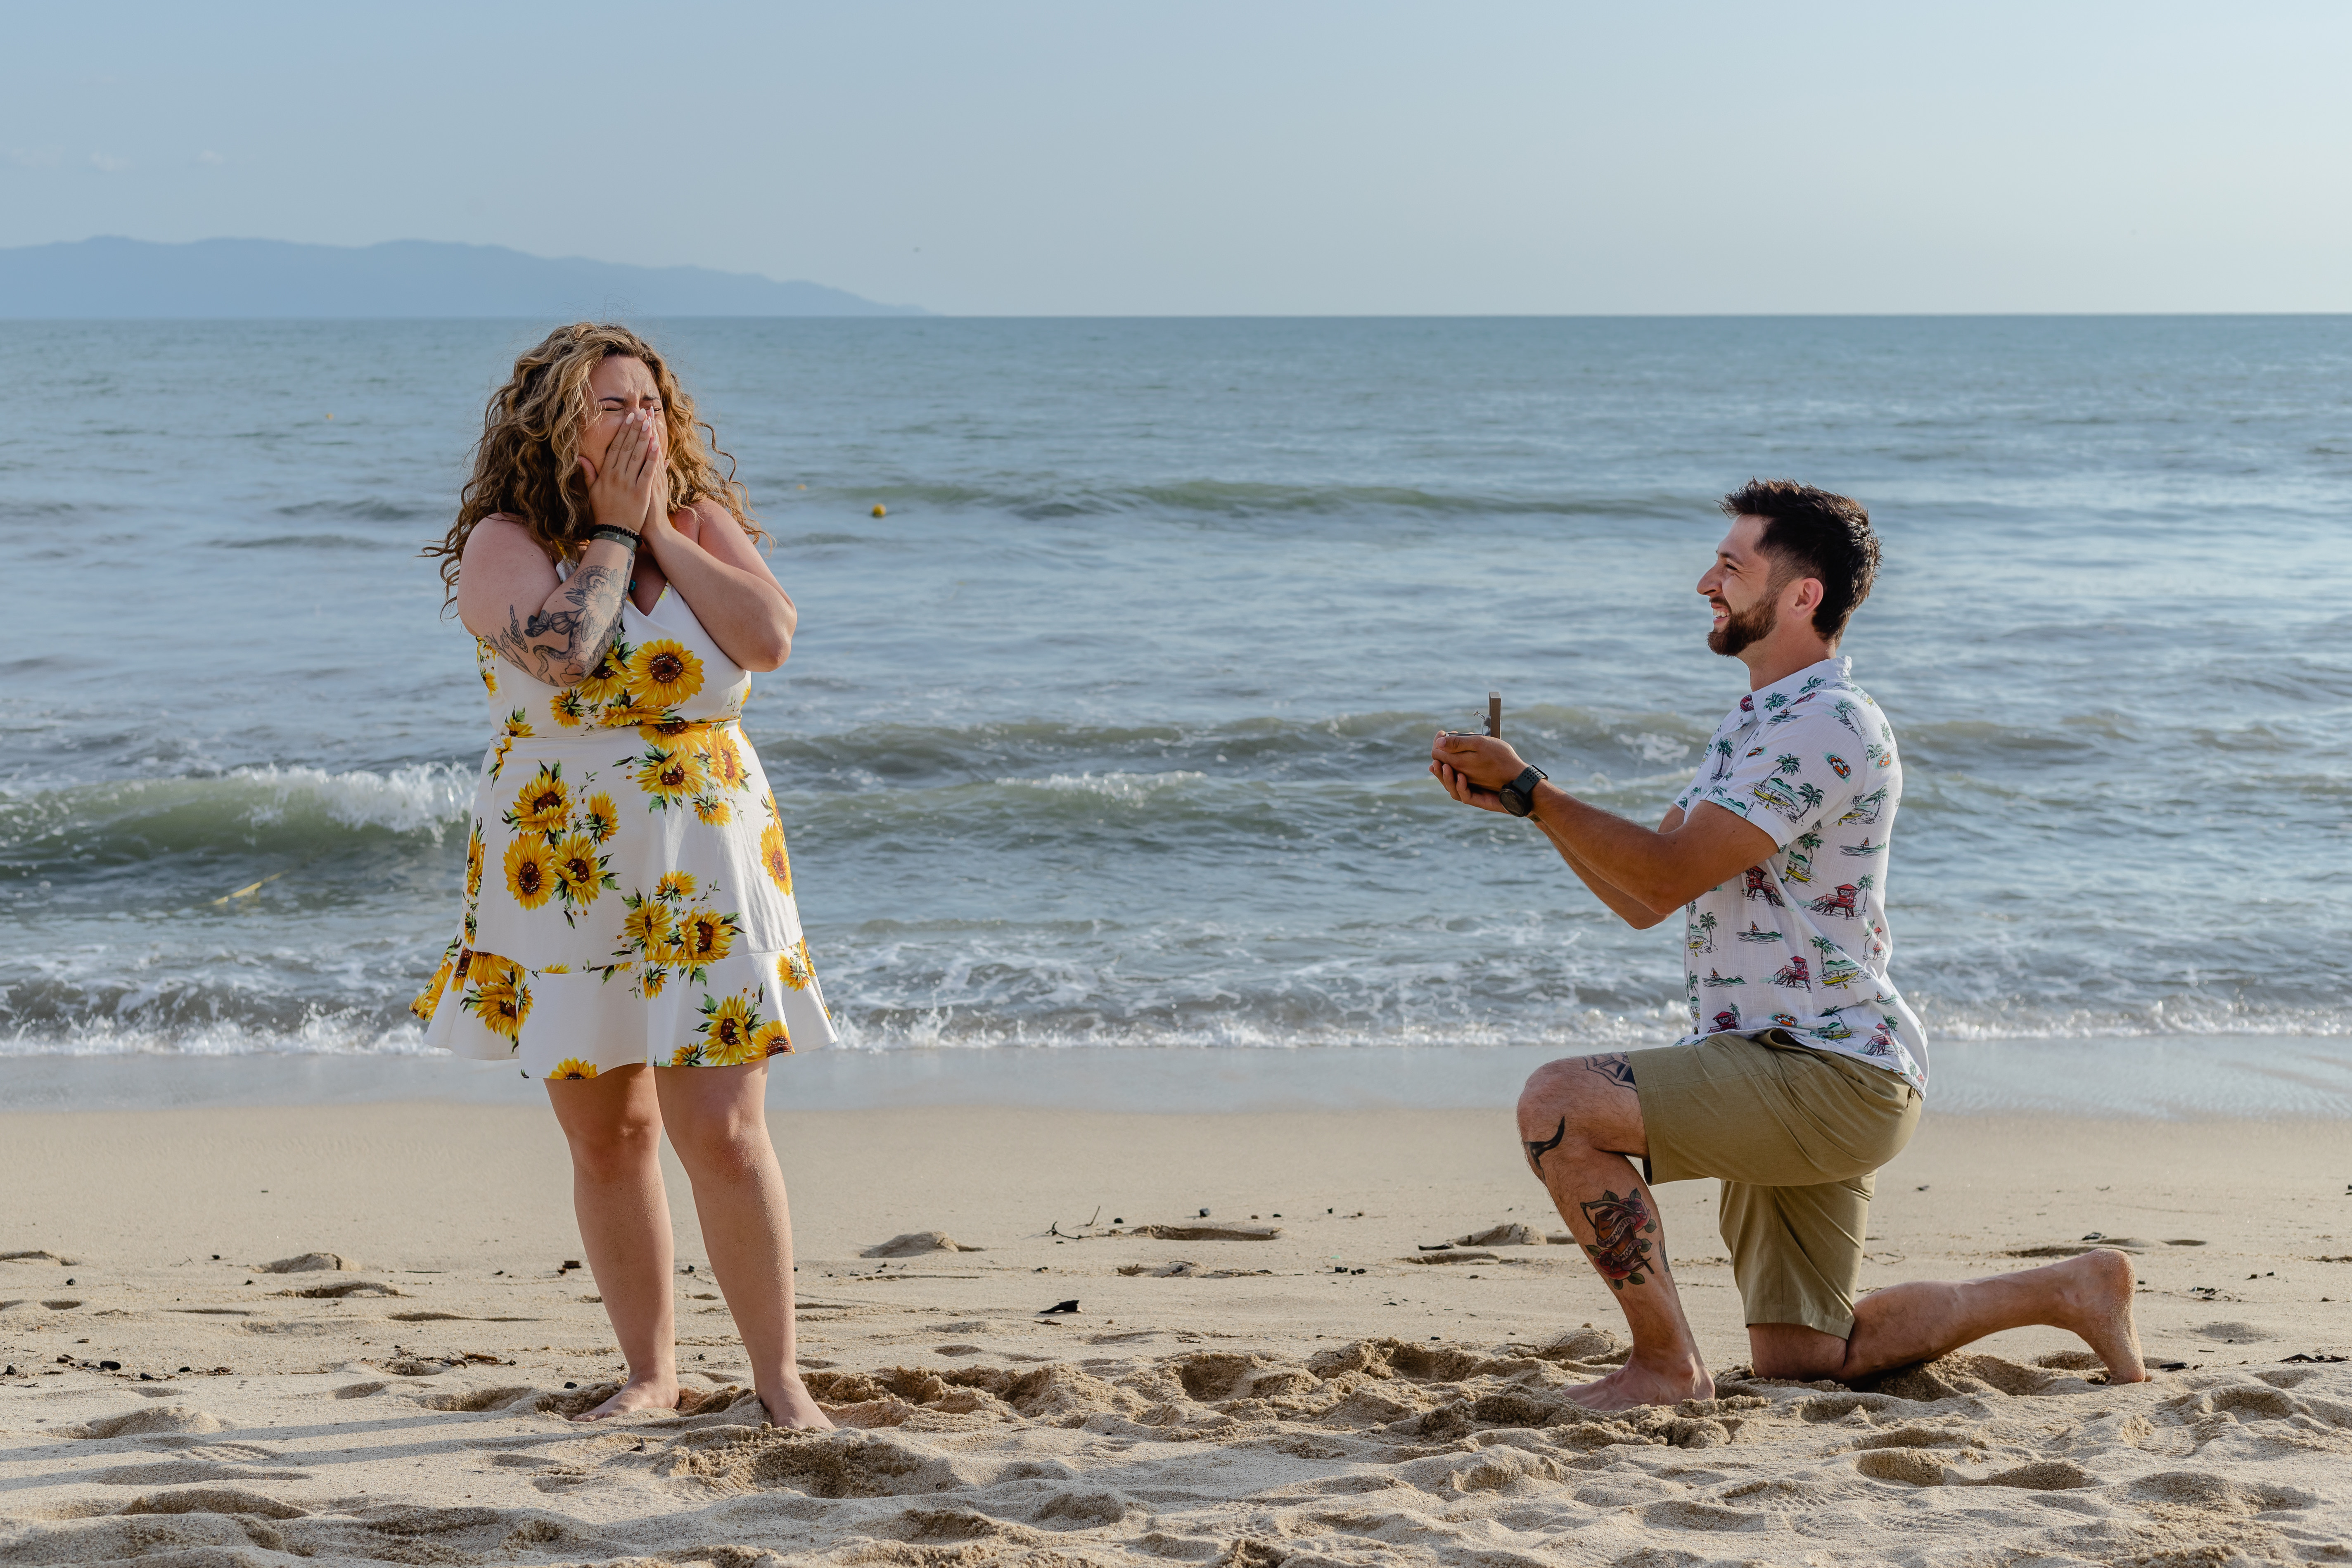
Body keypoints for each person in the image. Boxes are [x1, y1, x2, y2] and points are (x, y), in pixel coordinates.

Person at [1429, 480, 2141, 1409]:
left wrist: (1536, 791)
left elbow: (1660, 873)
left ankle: (1663, 1369)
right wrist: (1529, 810)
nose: (1703, 584)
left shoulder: (1825, 724)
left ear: (1802, 596)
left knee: (1559, 1104)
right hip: (1783, 1061)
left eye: (1730, 567)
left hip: (1825, 1070)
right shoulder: (1755, 721)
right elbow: (1647, 896)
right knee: (1807, 1360)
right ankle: (2067, 1289)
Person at [415, 323, 836, 1428]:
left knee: (726, 1130)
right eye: (612, 404)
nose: (639, 419)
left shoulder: (701, 522)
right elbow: (567, 650)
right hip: (564, 859)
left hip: (701, 855)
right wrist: (609, 530)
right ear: (557, 422)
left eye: (650, 401)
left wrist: (659, 528)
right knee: (611, 1133)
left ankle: (778, 1378)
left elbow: (770, 636)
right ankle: (650, 1374)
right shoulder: (507, 544)